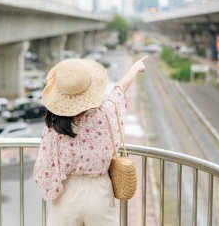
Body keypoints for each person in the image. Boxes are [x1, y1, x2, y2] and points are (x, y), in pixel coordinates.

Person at [33, 56, 147, 226]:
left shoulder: (54, 126)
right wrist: (135, 68)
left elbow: (44, 166)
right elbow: (119, 90)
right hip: (99, 190)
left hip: (66, 192)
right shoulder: (105, 115)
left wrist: (51, 188)